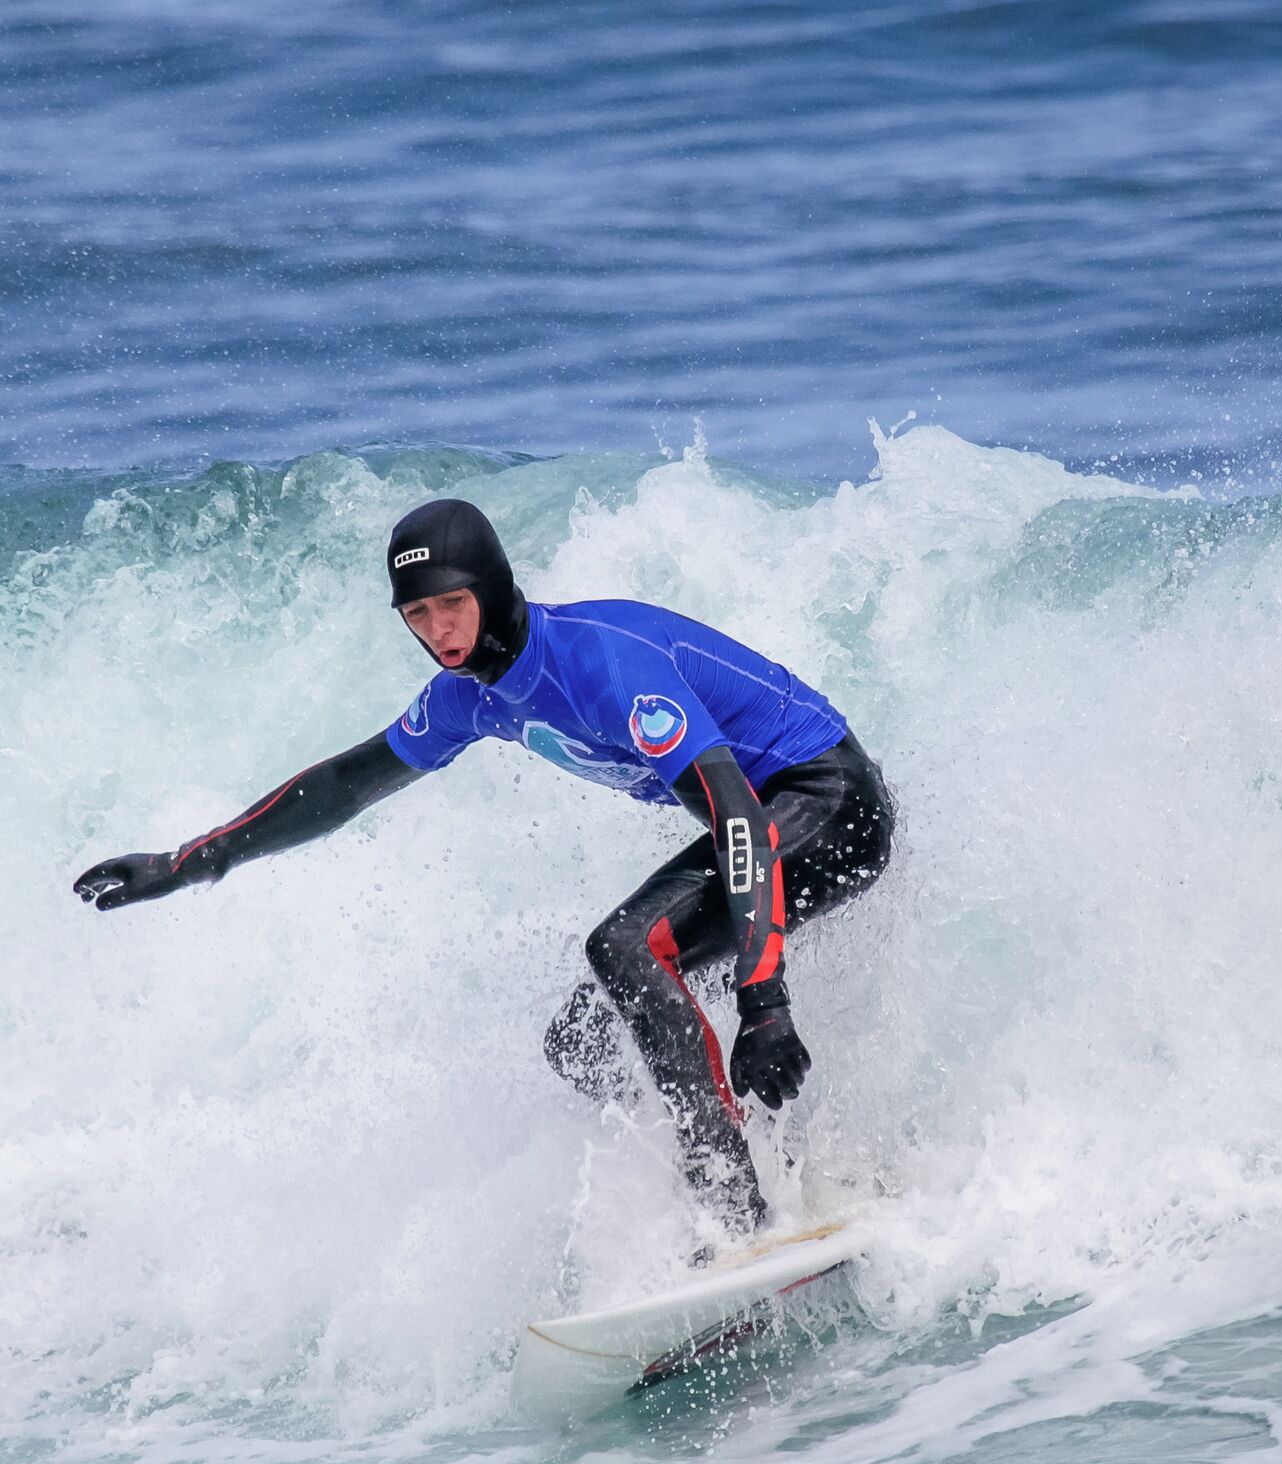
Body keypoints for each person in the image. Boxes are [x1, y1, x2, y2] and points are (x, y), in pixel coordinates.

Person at [73, 498, 895, 1236]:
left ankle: (734, 1209)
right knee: (583, 1041)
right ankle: (781, 1164)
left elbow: (738, 818)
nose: (438, 630)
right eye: (418, 613)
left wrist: (764, 1002)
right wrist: (191, 861)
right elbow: (345, 785)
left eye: (452, 604)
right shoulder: (470, 696)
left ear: (494, 589)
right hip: (763, 828)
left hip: (829, 801)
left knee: (625, 946)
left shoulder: (603, 665)